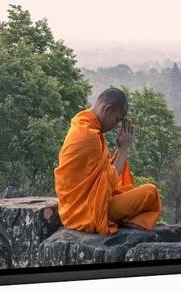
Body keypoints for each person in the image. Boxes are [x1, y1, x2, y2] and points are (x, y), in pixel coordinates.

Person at [54, 87, 162, 236]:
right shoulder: (89, 136)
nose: (116, 126)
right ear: (107, 109)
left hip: (75, 209)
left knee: (132, 191)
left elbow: (100, 177)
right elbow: (108, 180)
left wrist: (120, 148)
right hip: (88, 211)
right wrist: (124, 149)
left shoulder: (83, 124)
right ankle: (125, 220)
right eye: (117, 119)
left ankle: (124, 218)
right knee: (151, 193)